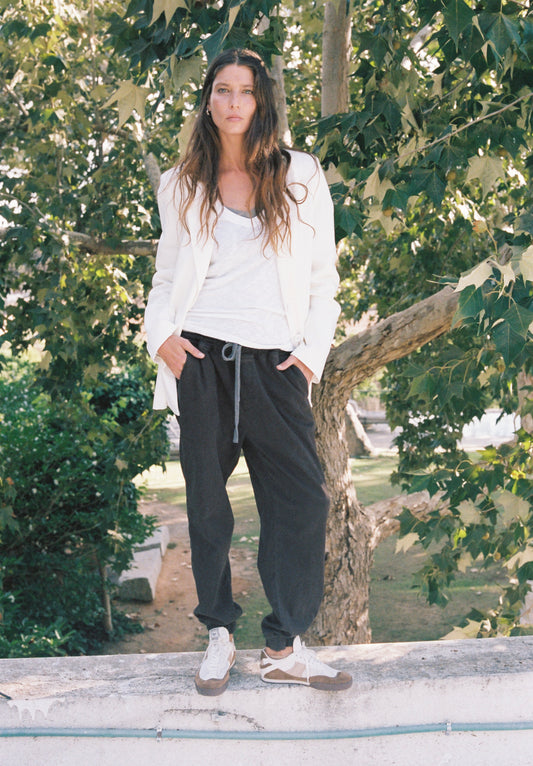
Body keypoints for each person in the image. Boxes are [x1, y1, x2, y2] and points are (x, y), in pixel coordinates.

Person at [144, 48, 352, 696]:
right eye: (222, 90)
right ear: (208, 100)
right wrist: (161, 339)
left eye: (245, 91)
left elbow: (323, 279)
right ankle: (218, 634)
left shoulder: (300, 175)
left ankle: (284, 646)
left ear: (262, 101)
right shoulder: (181, 182)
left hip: (276, 364)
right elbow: (166, 276)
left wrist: (310, 355)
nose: (233, 102)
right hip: (202, 359)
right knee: (207, 506)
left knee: (301, 502)